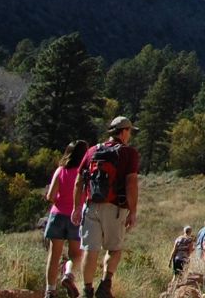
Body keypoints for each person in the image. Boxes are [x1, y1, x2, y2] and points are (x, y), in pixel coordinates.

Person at [73, 117, 139, 298]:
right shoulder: (128, 153)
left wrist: (76, 207)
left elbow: (79, 181)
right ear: (123, 131)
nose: (130, 135)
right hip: (115, 207)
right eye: (130, 131)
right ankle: (105, 284)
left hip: (91, 206)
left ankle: (87, 291)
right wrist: (133, 211)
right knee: (114, 249)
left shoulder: (92, 150)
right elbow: (131, 182)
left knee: (89, 250)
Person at [42, 140, 87, 298]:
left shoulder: (60, 170)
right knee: (76, 254)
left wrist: (60, 203)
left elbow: (50, 196)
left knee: (54, 254)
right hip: (76, 216)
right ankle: (68, 274)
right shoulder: (84, 173)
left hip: (57, 215)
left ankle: (50, 290)